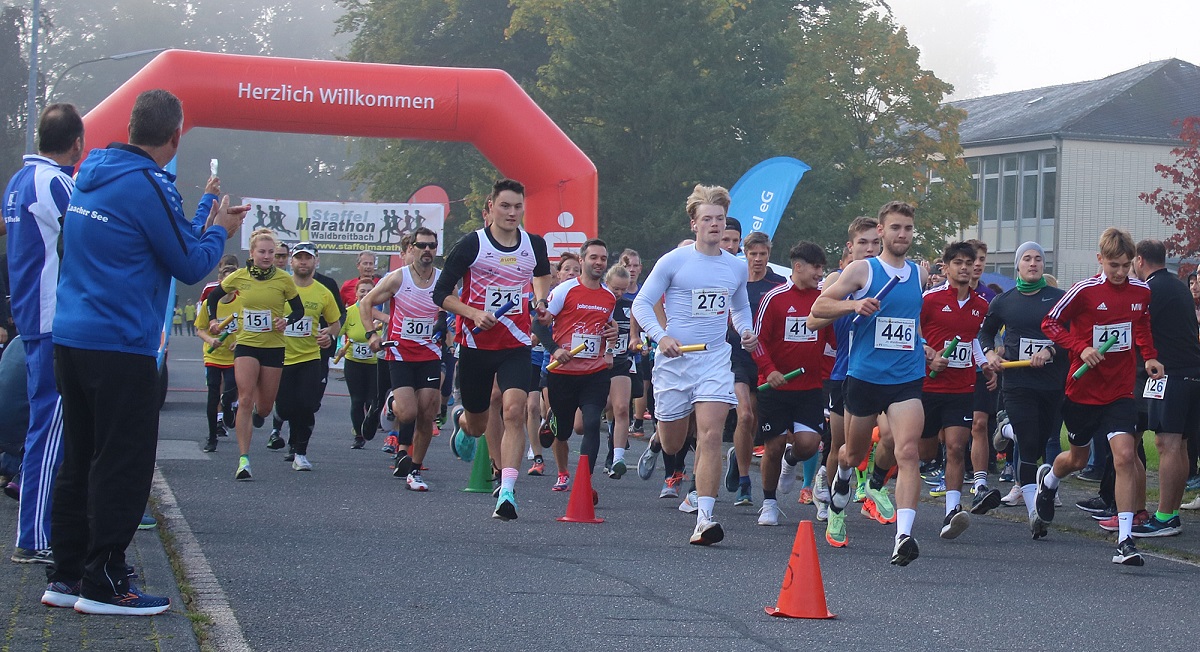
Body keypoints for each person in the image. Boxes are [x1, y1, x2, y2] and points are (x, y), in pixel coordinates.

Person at [45, 89, 247, 615]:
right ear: (175, 136)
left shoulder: (94, 171)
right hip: (121, 343)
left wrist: (203, 206)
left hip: (72, 336)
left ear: (132, 125)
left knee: (80, 454)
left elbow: (150, 235)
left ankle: (66, 574)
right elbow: (186, 261)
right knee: (123, 462)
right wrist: (222, 231)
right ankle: (106, 581)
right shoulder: (145, 184)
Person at [631, 184, 757, 545]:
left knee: (711, 435)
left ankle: (704, 517)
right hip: (674, 361)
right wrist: (660, 335)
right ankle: (659, 440)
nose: (714, 225)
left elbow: (740, 307)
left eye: (719, 219)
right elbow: (642, 304)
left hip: (715, 359)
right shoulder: (674, 261)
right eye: (707, 219)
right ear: (694, 224)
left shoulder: (735, 266)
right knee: (674, 443)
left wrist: (746, 331)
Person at [1036, 227, 1163, 566]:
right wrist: (1081, 347)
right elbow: (1050, 323)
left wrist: (1149, 355)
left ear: (1133, 261)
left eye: (1125, 266)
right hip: (1082, 390)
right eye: (1113, 266)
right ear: (1100, 260)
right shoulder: (1083, 291)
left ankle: (1125, 540)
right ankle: (1048, 481)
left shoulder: (1140, 291)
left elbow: (1142, 324)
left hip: (1120, 391)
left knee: (1124, 455)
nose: (1120, 273)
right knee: (1076, 460)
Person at [810, 201, 928, 565]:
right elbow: (817, 310)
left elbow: (912, 323)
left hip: (906, 376)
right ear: (881, 230)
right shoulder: (864, 270)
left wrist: (927, 348)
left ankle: (903, 537)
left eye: (908, 229)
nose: (902, 235)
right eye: (895, 228)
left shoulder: (919, 276)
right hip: (863, 377)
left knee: (908, 451)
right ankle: (842, 479)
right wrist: (853, 305)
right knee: (852, 453)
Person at [434, 179, 552, 520]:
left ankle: (507, 489)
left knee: (514, 410)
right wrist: (473, 313)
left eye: (517, 206)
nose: (512, 213)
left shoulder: (533, 244)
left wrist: (541, 301)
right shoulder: (472, 245)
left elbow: (541, 275)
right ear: (491, 207)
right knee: (478, 422)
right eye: (505, 206)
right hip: (475, 344)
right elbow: (440, 293)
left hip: (515, 343)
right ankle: (461, 421)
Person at [2, 103, 83, 565]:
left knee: (43, 427)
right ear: (77, 144)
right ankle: (34, 537)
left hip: (31, 316)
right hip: (54, 318)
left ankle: (35, 532)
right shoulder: (57, 182)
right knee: (50, 430)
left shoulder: (17, 181)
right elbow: (87, 234)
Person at [979, 241, 1067, 535]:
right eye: (1027, 259)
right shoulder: (1005, 301)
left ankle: (1005, 428)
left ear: (1044, 265)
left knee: (1041, 443)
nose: (1033, 263)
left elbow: (1074, 336)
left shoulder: (1059, 298)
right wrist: (991, 353)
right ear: (1017, 265)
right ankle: (1034, 514)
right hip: (1017, 382)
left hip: (1052, 383)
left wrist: (1051, 351)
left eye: (1038, 259)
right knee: (1028, 445)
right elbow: (985, 333)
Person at [207, 228, 305, 481]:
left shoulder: (284, 279)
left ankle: (256, 416)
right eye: (262, 252)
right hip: (246, 345)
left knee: (263, 407)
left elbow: (298, 310)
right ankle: (244, 460)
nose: (266, 256)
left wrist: (286, 321)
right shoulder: (239, 277)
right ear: (251, 253)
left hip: (273, 347)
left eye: (271, 252)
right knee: (245, 397)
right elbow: (213, 297)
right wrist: (212, 321)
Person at [751, 241, 836, 526]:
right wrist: (769, 370)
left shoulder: (824, 299)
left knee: (809, 446)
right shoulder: (774, 298)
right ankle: (769, 503)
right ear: (798, 266)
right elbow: (757, 340)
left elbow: (834, 341)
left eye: (822, 268)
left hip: (810, 389)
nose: (819, 273)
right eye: (816, 267)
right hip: (774, 388)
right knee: (772, 447)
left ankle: (792, 459)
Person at [918, 242, 997, 541]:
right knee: (926, 451)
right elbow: (912, 331)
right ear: (946, 267)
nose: (964, 267)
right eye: (958, 262)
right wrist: (928, 354)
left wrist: (984, 364)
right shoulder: (930, 300)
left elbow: (973, 340)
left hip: (962, 387)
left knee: (955, 447)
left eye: (969, 262)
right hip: (929, 385)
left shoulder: (981, 305)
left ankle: (952, 511)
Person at [808, 217, 881, 523]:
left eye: (874, 242)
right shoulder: (839, 279)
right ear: (850, 247)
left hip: (883, 374)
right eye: (862, 243)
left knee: (890, 437)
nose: (868, 248)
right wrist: (852, 305)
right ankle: (828, 487)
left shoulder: (893, 276)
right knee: (842, 445)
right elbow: (813, 320)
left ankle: (876, 488)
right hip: (845, 373)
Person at [364, 227, 445, 491]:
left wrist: (449, 327)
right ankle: (391, 404)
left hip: (430, 353)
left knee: (426, 413)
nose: (427, 251)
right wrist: (370, 335)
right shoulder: (397, 278)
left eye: (431, 246)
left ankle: (415, 469)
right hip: (399, 353)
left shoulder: (443, 280)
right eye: (421, 246)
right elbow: (366, 304)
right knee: (408, 412)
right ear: (411, 249)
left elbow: (453, 305)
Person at [533, 240, 616, 494]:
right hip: (562, 372)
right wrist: (556, 349)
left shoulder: (609, 296)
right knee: (564, 431)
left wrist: (612, 337)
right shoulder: (564, 291)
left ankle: (584, 483)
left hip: (594, 373)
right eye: (593, 257)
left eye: (603, 258)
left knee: (591, 424)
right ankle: (560, 462)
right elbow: (539, 325)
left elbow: (609, 329)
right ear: (582, 261)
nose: (599, 262)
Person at [1129, 240, 1200, 537]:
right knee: (1180, 444)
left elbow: (1136, 329)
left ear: (1139, 259)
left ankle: (1165, 516)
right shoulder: (1179, 286)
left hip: (1169, 373)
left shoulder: (1150, 290)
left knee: (1166, 444)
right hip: (1190, 372)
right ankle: (1168, 513)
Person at [725, 230, 785, 507]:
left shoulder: (777, 284)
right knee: (745, 416)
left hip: (765, 360)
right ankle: (744, 482)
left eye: (762, 254)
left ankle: (739, 456)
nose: (758, 259)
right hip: (737, 357)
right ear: (745, 255)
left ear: (768, 255)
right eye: (753, 254)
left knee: (757, 419)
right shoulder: (734, 280)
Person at [274, 242, 341, 470]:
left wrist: (329, 336)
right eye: (299, 258)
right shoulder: (279, 287)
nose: (303, 262)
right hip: (281, 357)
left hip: (310, 357)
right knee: (284, 408)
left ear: (316, 261)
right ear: (291, 262)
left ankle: (300, 452)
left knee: (307, 405)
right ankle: (280, 419)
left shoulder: (323, 291)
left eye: (308, 258)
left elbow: (335, 323)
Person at [195, 263, 241, 453]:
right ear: (220, 282)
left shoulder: (243, 302)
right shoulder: (209, 304)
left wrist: (239, 341)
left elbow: (249, 327)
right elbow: (200, 329)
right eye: (226, 281)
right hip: (213, 355)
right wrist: (210, 339)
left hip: (233, 356)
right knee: (213, 395)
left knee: (230, 391)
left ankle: (229, 407)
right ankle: (212, 437)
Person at [343, 278, 384, 450]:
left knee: (372, 400)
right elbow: (339, 331)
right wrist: (339, 347)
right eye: (362, 291)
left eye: (369, 291)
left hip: (374, 364)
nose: (366, 294)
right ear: (356, 293)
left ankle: (370, 425)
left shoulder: (380, 314)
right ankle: (359, 435)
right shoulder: (349, 312)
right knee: (357, 400)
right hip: (354, 363)